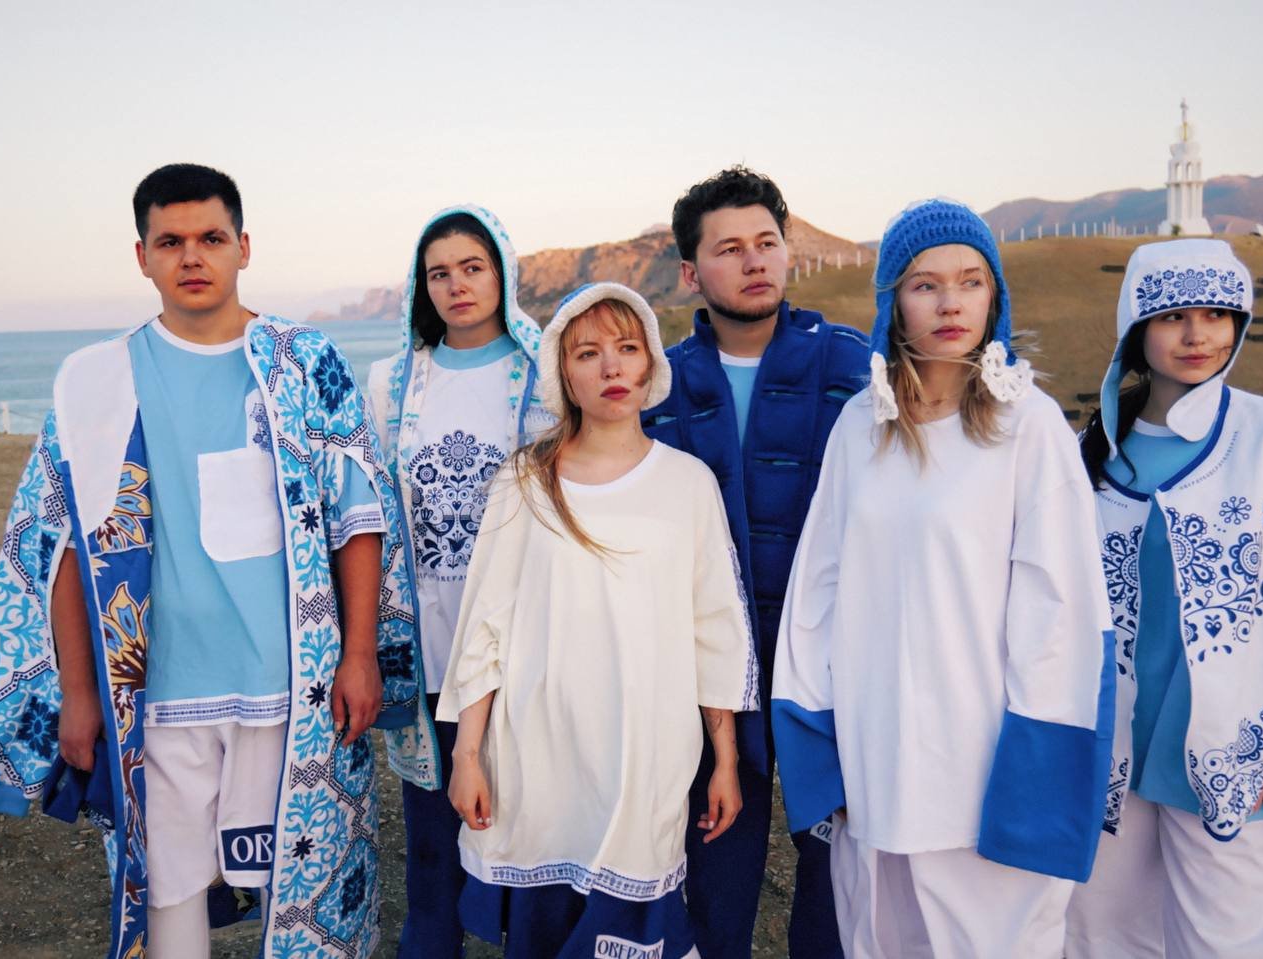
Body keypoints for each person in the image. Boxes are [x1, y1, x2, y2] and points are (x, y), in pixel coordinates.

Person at [0, 163, 434, 959]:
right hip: (155, 698)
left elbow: (357, 519)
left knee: (304, 903)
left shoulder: (304, 361)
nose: (192, 256)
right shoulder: (98, 382)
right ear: (142, 257)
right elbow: (62, 549)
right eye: (170, 242)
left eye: (211, 238)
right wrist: (80, 693)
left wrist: (361, 655)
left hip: (292, 691)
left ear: (243, 247)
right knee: (169, 901)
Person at [773, 198, 1116, 958]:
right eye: (925, 284)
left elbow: (1062, 610)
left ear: (995, 295)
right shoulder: (860, 427)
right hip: (876, 762)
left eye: (970, 281)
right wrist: (816, 742)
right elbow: (817, 595)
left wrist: (1039, 764)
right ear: (894, 301)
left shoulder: (1029, 426)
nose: (950, 302)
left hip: (982, 773)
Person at [438, 282, 759, 958]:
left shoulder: (688, 483)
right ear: (564, 374)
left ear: (650, 363)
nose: (611, 367)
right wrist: (467, 756)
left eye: (627, 348)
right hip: (537, 766)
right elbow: (484, 629)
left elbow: (715, 630)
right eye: (588, 353)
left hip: (646, 762)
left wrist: (725, 758)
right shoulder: (525, 482)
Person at [640, 166, 868, 959]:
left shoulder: (854, 366)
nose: (754, 260)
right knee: (713, 888)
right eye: (729, 248)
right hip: (700, 679)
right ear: (691, 272)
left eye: (766, 242)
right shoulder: (658, 384)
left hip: (830, 671)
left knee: (836, 893)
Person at [1065, 239, 1263, 958]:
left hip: (1225, 750)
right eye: (1173, 316)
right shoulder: (1089, 452)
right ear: (1136, 329)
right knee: (1101, 938)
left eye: (1216, 314)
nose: (1197, 335)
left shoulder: (1259, 436)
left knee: (1226, 944)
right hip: (1107, 745)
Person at [366, 204, 551, 958]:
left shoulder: (546, 372)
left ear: (502, 273)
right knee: (432, 837)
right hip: (429, 647)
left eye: (472, 267)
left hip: (524, 647)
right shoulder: (390, 382)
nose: (457, 285)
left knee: (527, 830)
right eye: (438, 273)